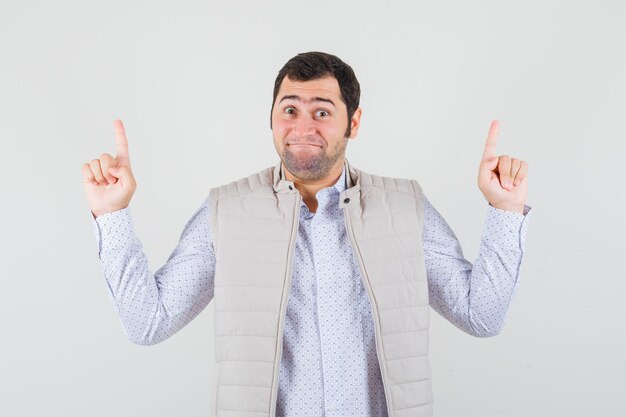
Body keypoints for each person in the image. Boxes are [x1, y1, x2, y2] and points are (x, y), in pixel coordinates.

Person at [81, 51, 531, 417]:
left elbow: (481, 315)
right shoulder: (227, 210)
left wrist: (505, 210)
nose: (303, 127)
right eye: (290, 109)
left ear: (353, 123)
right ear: (272, 119)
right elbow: (148, 322)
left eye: (322, 111)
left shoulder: (404, 206)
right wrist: (112, 216)